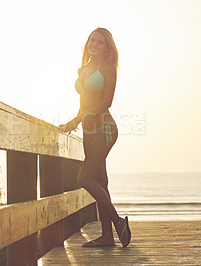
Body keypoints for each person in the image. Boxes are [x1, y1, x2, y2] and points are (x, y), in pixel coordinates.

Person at [59, 28, 131, 248]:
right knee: (101, 181)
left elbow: (105, 102)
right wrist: (80, 122)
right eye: (92, 40)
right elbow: (85, 100)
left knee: (84, 178)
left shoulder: (108, 68)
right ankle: (107, 237)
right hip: (89, 131)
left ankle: (119, 222)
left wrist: (76, 120)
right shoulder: (85, 67)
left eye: (100, 42)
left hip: (105, 129)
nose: (94, 44)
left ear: (107, 47)